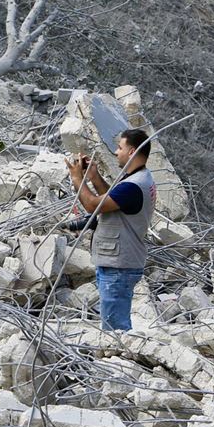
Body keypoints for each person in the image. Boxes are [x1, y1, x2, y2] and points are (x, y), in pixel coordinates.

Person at [65, 128, 155, 331]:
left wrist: (78, 179)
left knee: (115, 330)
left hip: (119, 266)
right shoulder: (138, 179)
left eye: (120, 147)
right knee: (114, 324)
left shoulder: (133, 185)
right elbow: (112, 200)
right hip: (118, 262)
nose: (116, 152)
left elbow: (92, 205)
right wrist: (94, 177)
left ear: (132, 151)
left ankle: (120, 360)